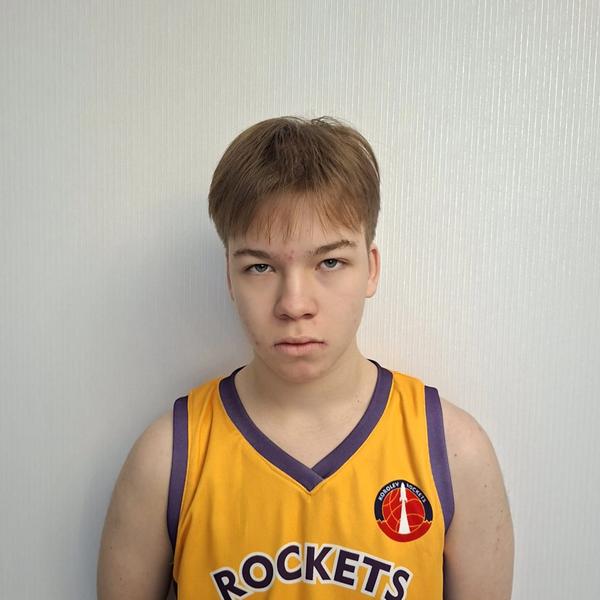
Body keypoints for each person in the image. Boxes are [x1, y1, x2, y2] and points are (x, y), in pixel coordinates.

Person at [97, 116, 514, 599]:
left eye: (330, 262)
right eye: (260, 267)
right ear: (230, 277)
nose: (294, 304)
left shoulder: (454, 452)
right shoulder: (168, 459)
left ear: (370, 269)